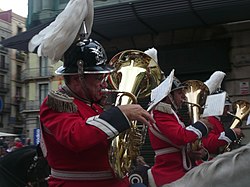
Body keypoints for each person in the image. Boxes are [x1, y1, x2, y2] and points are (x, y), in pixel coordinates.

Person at [39, 38, 155, 187]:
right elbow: (75, 137)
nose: (105, 83)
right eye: (99, 78)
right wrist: (119, 114)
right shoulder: (57, 103)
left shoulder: (94, 105)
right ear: (76, 79)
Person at [147, 76, 212, 187]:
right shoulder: (160, 114)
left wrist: (199, 153)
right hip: (170, 170)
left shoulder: (171, 115)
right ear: (169, 96)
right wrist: (202, 126)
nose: (183, 97)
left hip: (183, 167)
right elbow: (181, 137)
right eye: (179, 93)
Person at [202, 92, 243, 158]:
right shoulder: (208, 120)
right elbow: (208, 143)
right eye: (225, 107)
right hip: (211, 160)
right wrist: (231, 134)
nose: (228, 109)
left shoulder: (216, 120)